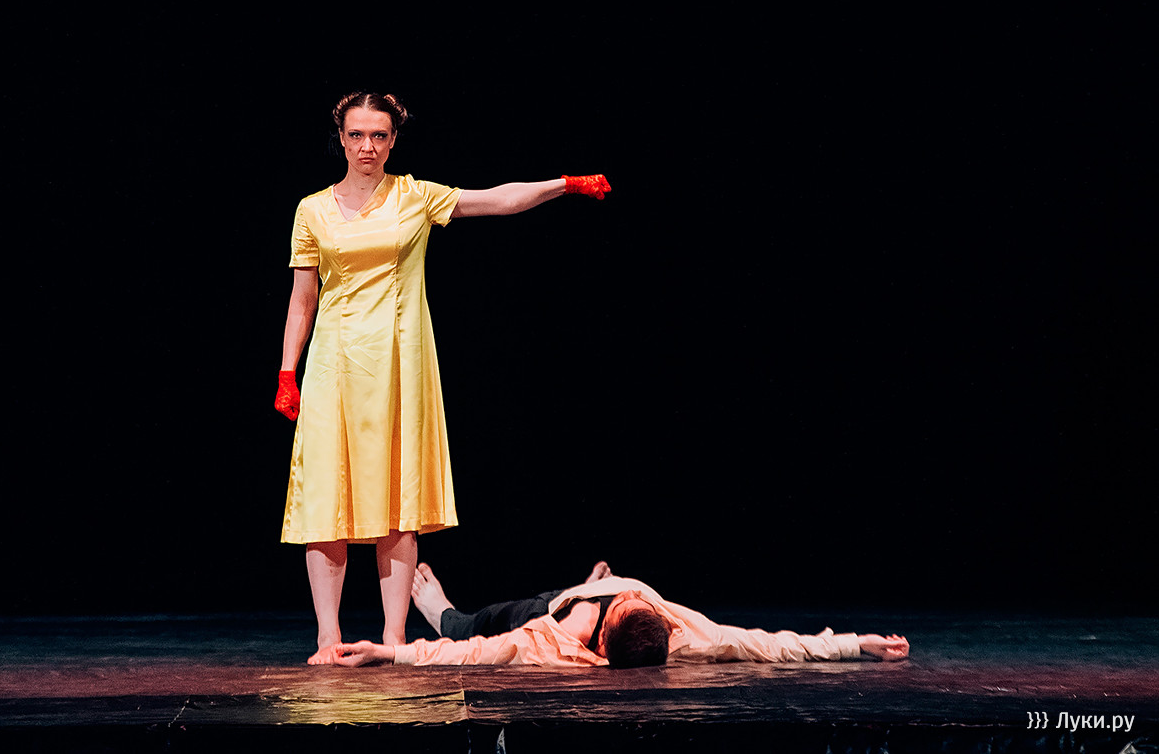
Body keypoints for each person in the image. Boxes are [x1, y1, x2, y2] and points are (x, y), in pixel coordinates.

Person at [276, 91, 611, 660]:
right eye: (357, 135)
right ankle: (328, 637)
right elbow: (302, 299)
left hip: (398, 363)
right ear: (341, 139)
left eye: (379, 135)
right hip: (335, 364)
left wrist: (565, 185)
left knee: (397, 501)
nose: (367, 146)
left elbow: (497, 199)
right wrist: (288, 370)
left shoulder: (414, 196)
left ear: (393, 141)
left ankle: (394, 637)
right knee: (327, 498)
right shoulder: (312, 210)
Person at [317, 562, 911, 668]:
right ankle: (591, 581)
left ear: (601, 641)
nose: (637, 594)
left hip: (554, 608)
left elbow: (474, 654)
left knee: (471, 625)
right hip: (579, 597)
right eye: (635, 600)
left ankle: (442, 609)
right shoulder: (683, 628)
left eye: (626, 599)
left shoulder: (555, 641)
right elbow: (773, 643)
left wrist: (386, 651)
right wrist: (856, 642)